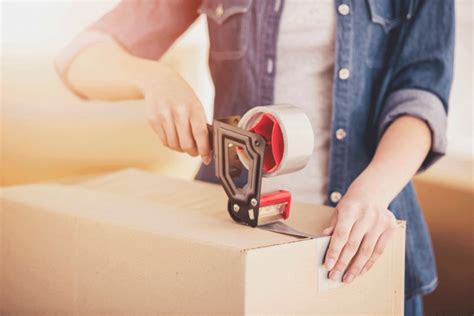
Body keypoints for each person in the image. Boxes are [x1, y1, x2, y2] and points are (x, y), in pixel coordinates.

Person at [55, 1, 454, 315]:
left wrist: (370, 194)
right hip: (231, 243)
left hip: (361, 240)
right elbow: (76, 59)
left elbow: (420, 96)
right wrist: (152, 77)